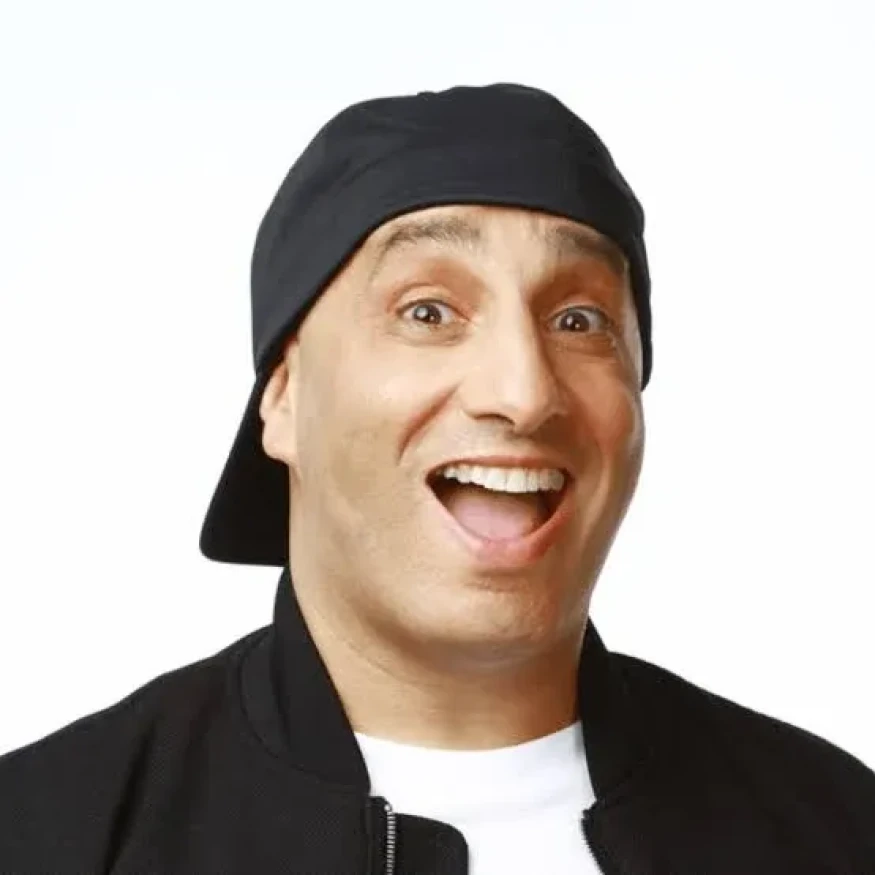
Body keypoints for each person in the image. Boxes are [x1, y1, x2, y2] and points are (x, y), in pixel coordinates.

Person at [1, 83, 872, 875]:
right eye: (428, 312)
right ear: (285, 397)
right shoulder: (48, 833)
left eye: (578, 320)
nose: (522, 392)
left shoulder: (833, 826)